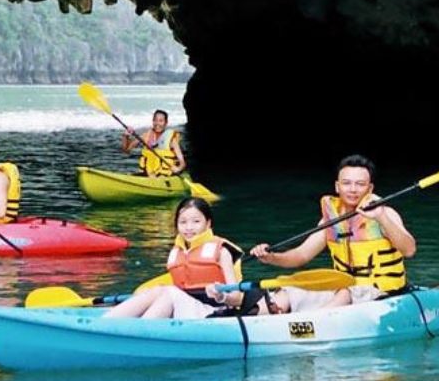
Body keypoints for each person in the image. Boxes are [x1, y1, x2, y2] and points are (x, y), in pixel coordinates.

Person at [248, 154, 416, 307]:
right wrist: (271, 257)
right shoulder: (330, 221)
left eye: (360, 184)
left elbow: (409, 250)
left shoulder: (385, 214)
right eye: (346, 183)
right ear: (337, 186)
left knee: (345, 293)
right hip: (343, 287)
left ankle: (314, 324)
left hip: (381, 292)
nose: (352, 189)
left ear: (370, 188)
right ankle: (252, 317)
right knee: (287, 292)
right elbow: (300, 256)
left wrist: (381, 217)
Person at [104, 197, 242, 319]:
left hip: (214, 312)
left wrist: (221, 296)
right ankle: (106, 322)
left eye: (196, 221)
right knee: (160, 290)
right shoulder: (177, 252)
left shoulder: (222, 251)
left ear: (208, 224)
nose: (189, 227)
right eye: (183, 222)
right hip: (186, 309)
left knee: (169, 292)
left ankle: (137, 331)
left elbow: (237, 299)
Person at [121, 109, 187, 176]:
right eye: (155, 120)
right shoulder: (146, 136)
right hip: (147, 174)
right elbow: (126, 150)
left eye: (161, 121)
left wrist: (178, 169)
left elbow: (182, 163)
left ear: (166, 123)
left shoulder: (171, 140)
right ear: (153, 121)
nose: (157, 123)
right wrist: (125, 136)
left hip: (164, 176)